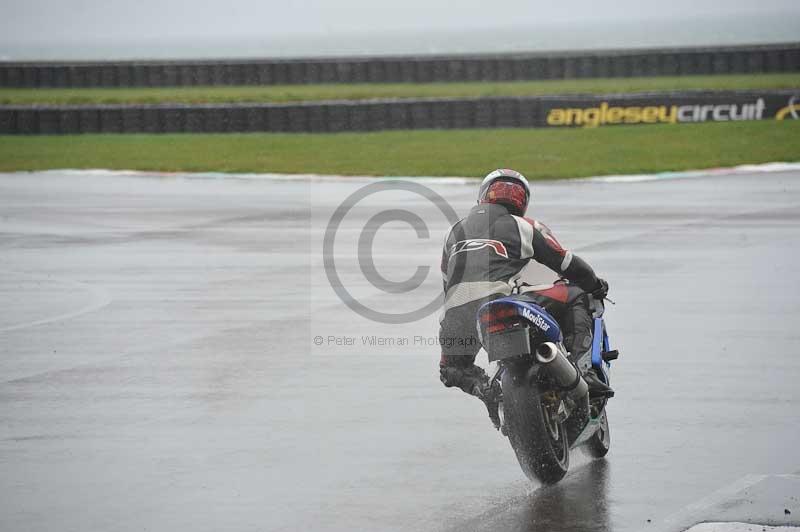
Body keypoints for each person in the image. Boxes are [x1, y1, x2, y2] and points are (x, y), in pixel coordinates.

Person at [438, 169, 613, 420]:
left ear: (483, 197)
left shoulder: (452, 232)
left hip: (456, 316)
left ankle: (488, 391)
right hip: (498, 301)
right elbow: (566, 263)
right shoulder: (524, 226)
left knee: (451, 369)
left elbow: (447, 279)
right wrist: (595, 284)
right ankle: (586, 373)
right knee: (576, 294)